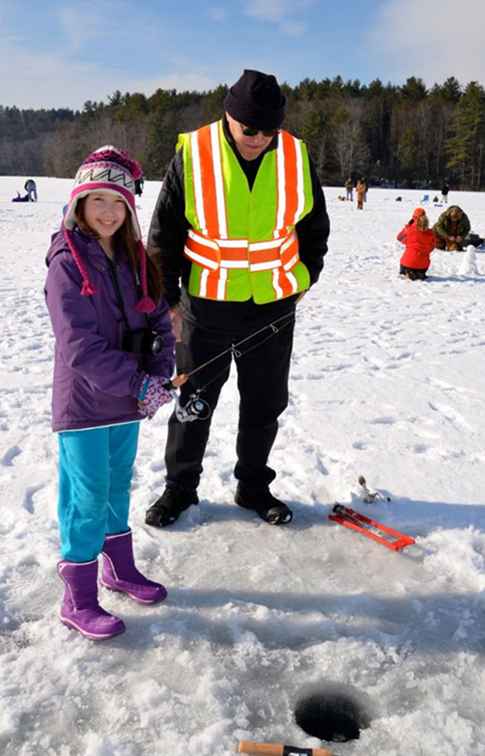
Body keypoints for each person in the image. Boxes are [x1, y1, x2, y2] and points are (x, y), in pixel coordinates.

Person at [145, 69, 330, 528]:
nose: (260, 139)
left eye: (270, 130)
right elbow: (165, 234)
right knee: (194, 402)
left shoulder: (295, 154)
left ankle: (253, 486)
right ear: (230, 117)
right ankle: (180, 489)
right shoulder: (193, 153)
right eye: (251, 129)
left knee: (265, 403)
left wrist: (304, 276)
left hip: (272, 307)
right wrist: (168, 301)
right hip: (205, 307)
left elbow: (314, 228)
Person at [45, 146, 184, 640]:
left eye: (117, 202)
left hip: (125, 402)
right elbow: (78, 346)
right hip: (84, 403)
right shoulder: (67, 261)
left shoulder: (134, 257)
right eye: (97, 199)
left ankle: (118, 569)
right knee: (85, 496)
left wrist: (160, 372)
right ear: (80, 201)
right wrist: (136, 381)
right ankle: (78, 597)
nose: (107, 211)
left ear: (129, 207)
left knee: (116, 486)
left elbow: (159, 320)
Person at [397, 207, 436, 280]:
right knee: (420, 265)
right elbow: (432, 247)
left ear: (413, 217)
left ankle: (408, 272)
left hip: (407, 263)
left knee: (407, 261)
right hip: (423, 266)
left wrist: (408, 242)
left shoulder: (408, 229)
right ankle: (418, 273)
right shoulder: (431, 233)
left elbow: (399, 238)